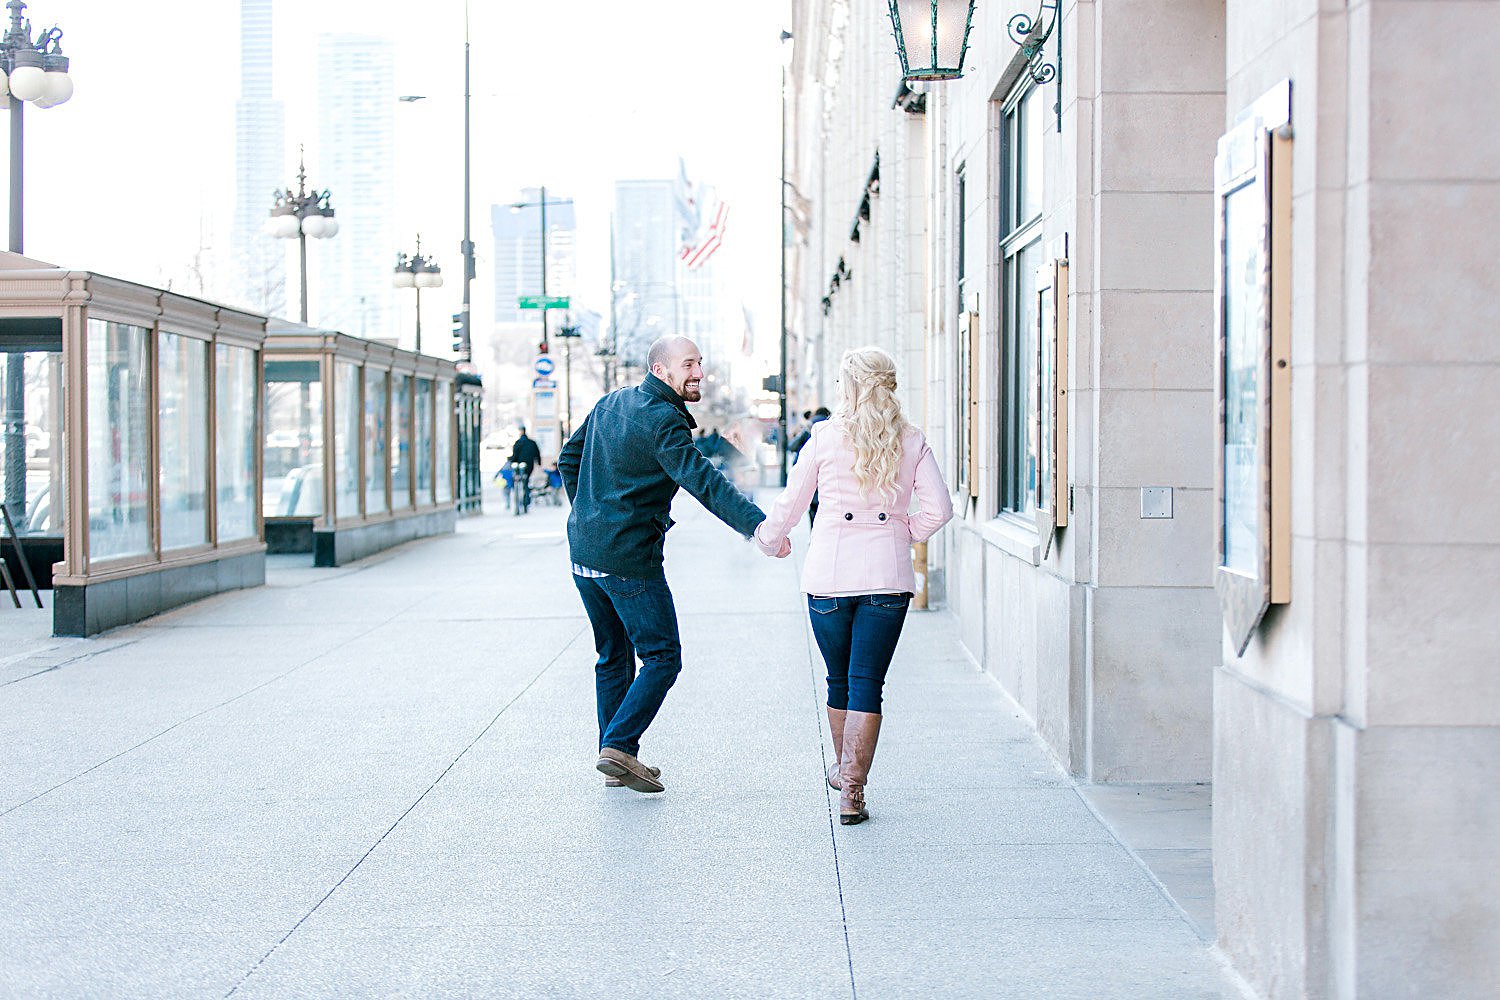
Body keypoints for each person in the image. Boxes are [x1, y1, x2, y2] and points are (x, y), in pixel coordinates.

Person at [559, 335, 769, 793]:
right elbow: (704, 482)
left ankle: (617, 757)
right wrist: (757, 527)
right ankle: (618, 744)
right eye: (688, 364)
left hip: (584, 555)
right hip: (627, 558)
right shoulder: (663, 420)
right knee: (662, 656)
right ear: (660, 370)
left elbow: (568, 459)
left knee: (612, 656)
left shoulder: (611, 403)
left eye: (700, 362)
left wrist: (586, 514)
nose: (698, 372)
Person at [754, 347, 953, 824]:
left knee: (838, 678)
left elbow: (792, 501)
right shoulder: (911, 439)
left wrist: (769, 539)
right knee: (868, 682)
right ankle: (852, 793)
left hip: (829, 575)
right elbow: (940, 509)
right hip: (887, 576)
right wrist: (901, 532)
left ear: (848, 387)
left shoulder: (824, 437)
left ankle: (844, 775)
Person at [788, 406, 831, 524]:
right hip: (826, 470)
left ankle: (812, 533)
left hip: (806, 470)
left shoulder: (808, 427)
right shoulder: (832, 427)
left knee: (812, 505)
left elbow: (791, 446)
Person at [507, 427, 543, 508]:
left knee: (519, 480)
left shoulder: (518, 443)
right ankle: (527, 499)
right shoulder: (532, 442)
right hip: (530, 466)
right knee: (526, 481)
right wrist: (539, 464)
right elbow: (537, 454)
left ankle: (521, 497)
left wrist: (511, 461)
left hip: (520, 466)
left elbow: (514, 456)